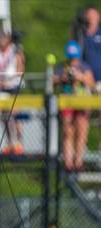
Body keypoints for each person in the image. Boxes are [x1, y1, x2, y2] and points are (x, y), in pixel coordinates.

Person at [54, 41, 95, 171]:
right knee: (68, 132)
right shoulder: (62, 67)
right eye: (71, 58)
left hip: (82, 102)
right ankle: (68, 163)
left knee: (81, 132)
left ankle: (78, 162)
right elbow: (52, 81)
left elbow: (92, 84)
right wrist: (63, 78)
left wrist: (81, 77)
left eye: (75, 58)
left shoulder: (84, 67)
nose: (73, 61)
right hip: (68, 102)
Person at [0, 28, 25, 155]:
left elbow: (20, 69)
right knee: (5, 116)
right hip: (1, 86)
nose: (0, 40)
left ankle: (19, 142)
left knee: (15, 115)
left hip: (14, 85)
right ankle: (10, 143)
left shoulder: (15, 50)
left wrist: (9, 79)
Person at [82, 6, 101, 93]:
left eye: (93, 15)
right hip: (86, 82)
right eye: (89, 15)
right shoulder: (80, 35)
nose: (91, 18)